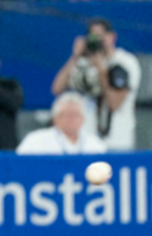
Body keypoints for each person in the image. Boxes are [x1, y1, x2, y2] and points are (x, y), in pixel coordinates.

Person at [50, 18, 141, 151]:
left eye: (101, 37)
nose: (98, 42)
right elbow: (57, 88)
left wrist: (101, 69)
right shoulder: (83, 62)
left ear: (112, 37)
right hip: (88, 141)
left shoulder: (125, 62)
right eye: (93, 37)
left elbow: (114, 104)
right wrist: (75, 57)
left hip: (117, 141)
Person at [17, 93, 108, 155]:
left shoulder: (95, 144)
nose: (71, 119)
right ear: (55, 118)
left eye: (75, 115)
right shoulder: (35, 141)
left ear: (83, 119)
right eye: (66, 115)